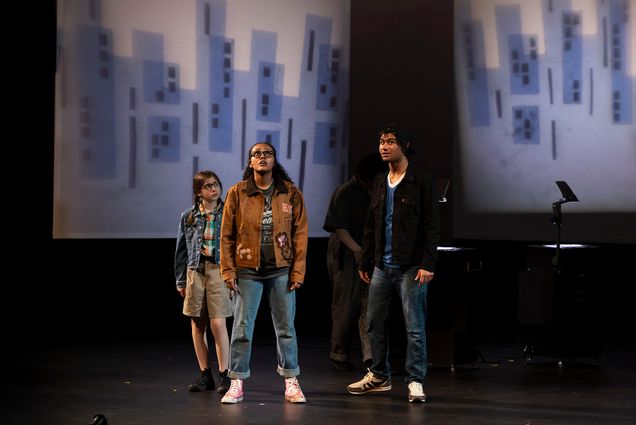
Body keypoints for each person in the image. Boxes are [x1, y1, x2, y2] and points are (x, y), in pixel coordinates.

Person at [346, 125, 440, 403]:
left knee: (414, 326)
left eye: (390, 142)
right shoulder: (378, 181)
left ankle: (415, 381)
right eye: (381, 142)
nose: (384, 146)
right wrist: (366, 260)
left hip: (411, 265)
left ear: (404, 145)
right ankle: (379, 375)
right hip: (380, 267)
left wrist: (428, 262)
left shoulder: (421, 181)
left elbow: (432, 226)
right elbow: (371, 224)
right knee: (374, 323)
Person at [219, 141, 309, 404]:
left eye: (267, 154)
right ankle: (236, 382)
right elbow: (226, 236)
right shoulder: (238, 193)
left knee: (285, 328)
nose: (262, 158)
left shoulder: (290, 193)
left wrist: (298, 272)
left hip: (281, 269)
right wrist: (228, 271)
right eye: (256, 154)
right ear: (250, 162)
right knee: (242, 328)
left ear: (274, 160)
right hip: (247, 270)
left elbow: (300, 234)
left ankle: (291, 381)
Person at [323, 153, 385, 371]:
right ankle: (338, 354)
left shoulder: (377, 192)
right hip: (346, 251)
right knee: (346, 304)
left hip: (368, 252)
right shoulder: (346, 191)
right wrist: (357, 250)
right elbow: (338, 227)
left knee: (369, 305)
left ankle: (370, 356)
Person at [174, 170, 233, 394]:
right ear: (199, 192)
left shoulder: (228, 212)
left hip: (218, 269)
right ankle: (204, 374)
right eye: (208, 186)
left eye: (216, 184)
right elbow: (180, 250)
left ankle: (224, 375)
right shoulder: (188, 216)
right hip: (195, 271)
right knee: (198, 324)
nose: (214, 189)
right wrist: (180, 280)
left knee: (218, 324)